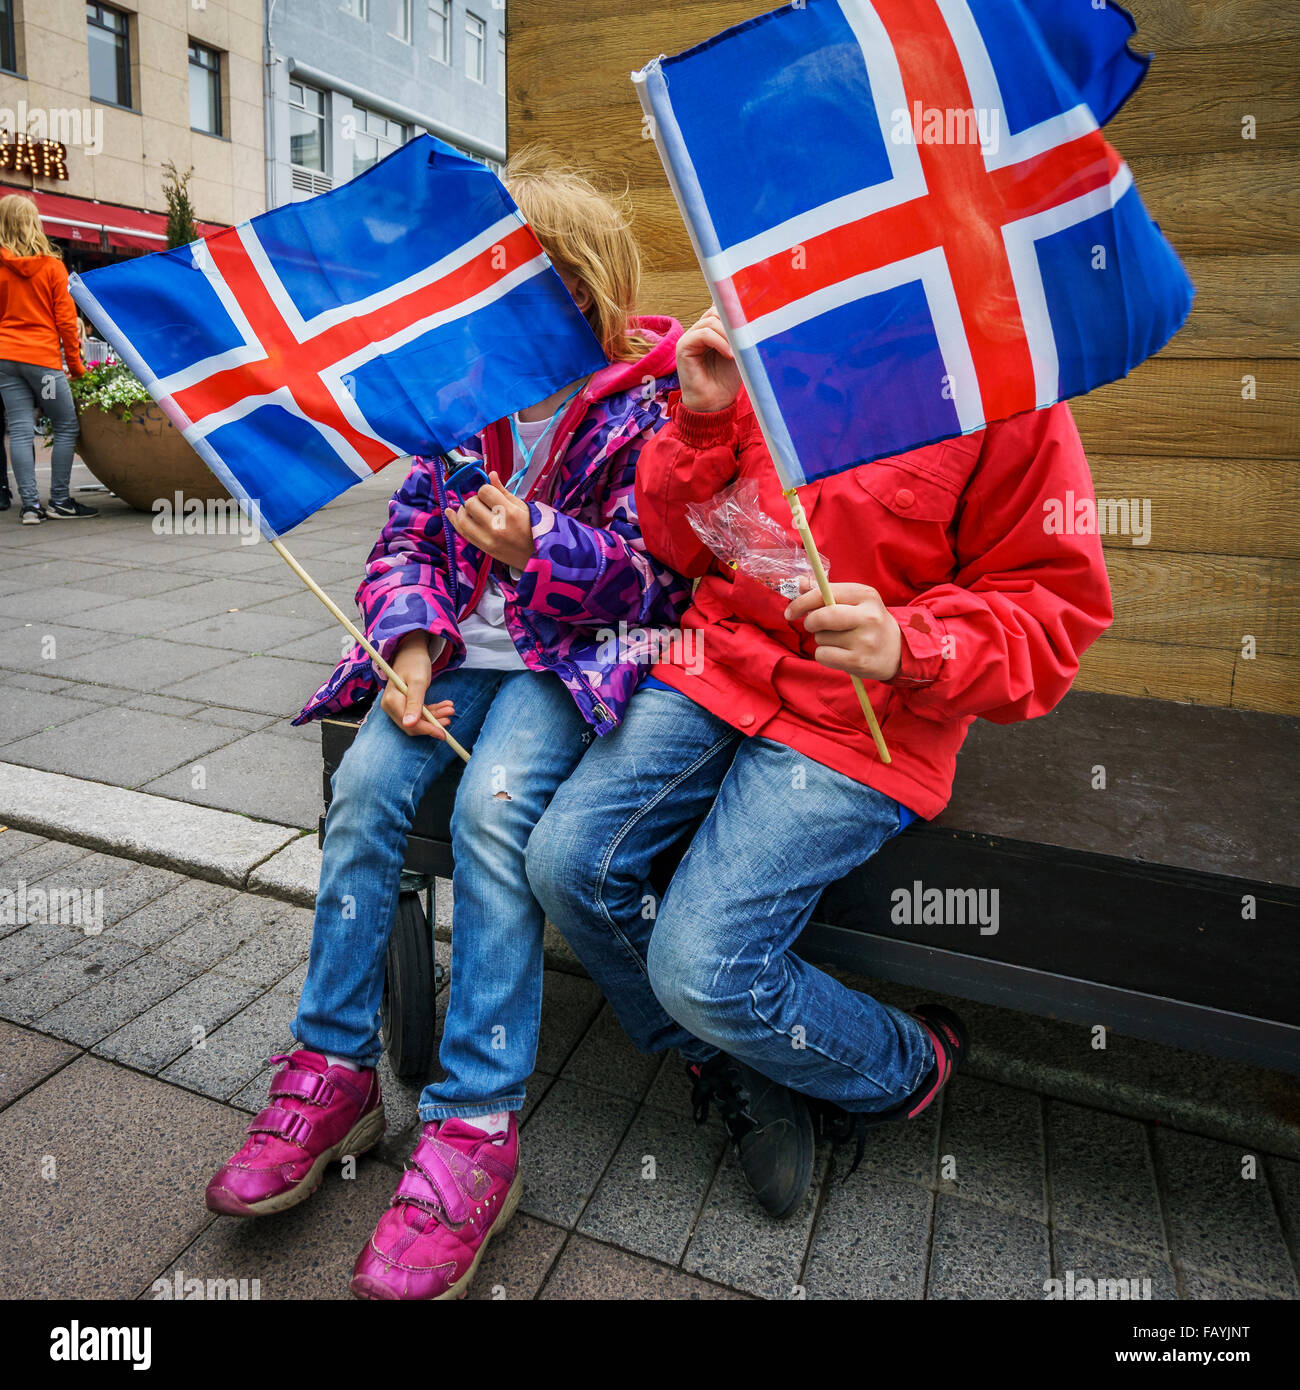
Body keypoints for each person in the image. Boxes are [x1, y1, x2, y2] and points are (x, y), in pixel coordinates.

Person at [204, 151, 689, 1301]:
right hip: (453, 658)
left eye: (526, 284)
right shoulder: (460, 405)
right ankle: (332, 1069)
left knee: (493, 809)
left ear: (581, 292)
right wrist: (410, 654)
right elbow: (408, 544)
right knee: (364, 792)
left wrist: (541, 550)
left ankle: (475, 1127)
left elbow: (659, 584)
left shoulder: (646, 403)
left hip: (564, 665)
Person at [525, 306, 1115, 1217]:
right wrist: (704, 418)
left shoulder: (1008, 379)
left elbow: (1052, 618)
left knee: (703, 970)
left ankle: (900, 1069)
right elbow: (678, 546)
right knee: (565, 865)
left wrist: (909, 641)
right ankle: (731, 1059)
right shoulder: (768, 322)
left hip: (865, 719)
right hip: (715, 665)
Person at [0, 193, 97, 522]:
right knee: (66, 423)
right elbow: (67, 324)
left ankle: (30, 506)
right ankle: (59, 501)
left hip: (5, 360)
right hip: (42, 364)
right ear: (34, 224)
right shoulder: (53, 268)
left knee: (20, 429)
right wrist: (76, 366)